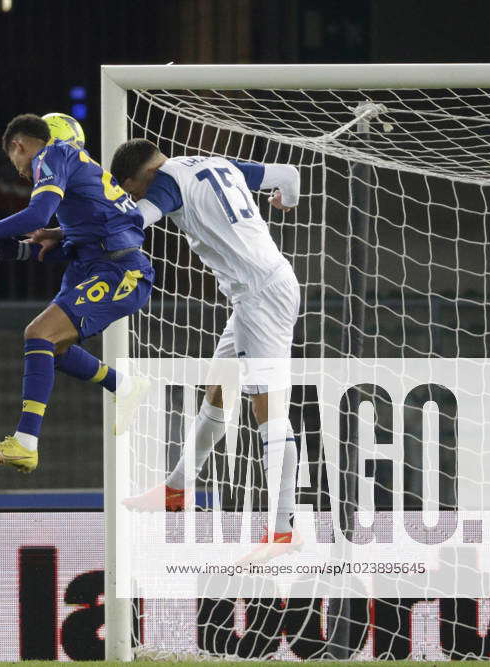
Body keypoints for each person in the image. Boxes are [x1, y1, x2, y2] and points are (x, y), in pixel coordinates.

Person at [101, 138, 302, 553]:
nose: (138, 195)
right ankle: (177, 488)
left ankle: (283, 531)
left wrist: (79, 230)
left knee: (269, 411)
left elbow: (136, 222)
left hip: (259, 297)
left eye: (132, 189)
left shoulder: (166, 181)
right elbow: (288, 175)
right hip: (262, 289)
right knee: (219, 391)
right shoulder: (214, 162)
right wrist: (287, 199)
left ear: (138, 175)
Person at [0, 113, 153, 474]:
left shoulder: (53, 155)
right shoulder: (81, 173)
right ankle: (125, 386)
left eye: (14, 160)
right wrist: (20, 250)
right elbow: (69, 244)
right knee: (52, 345)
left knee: (38, 334)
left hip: (120, 271)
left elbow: (36, 214)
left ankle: (25, 442)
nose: (20, 171)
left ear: (19, 145)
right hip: (102, 265)